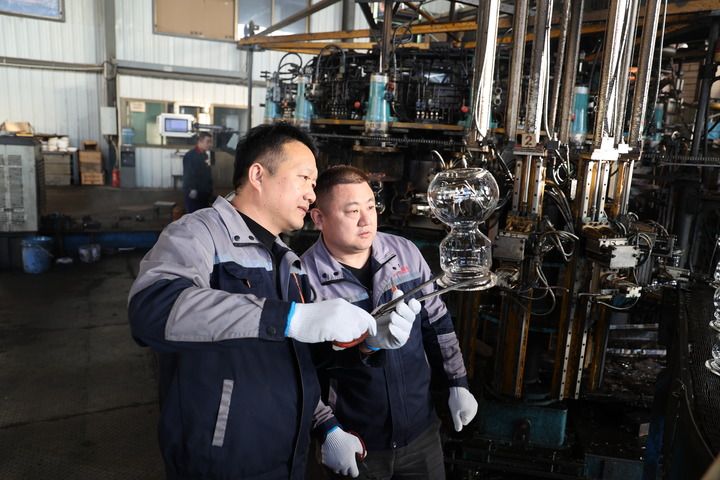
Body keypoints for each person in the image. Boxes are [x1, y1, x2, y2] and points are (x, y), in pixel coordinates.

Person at [128, 124, 416, 479]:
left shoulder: (289, 263)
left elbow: (299, 363)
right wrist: (289, 317)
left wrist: (367, 345)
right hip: (222, 463)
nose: (312, 194)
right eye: (304, 178)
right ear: (258, 175)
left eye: (314, 183)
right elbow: (152, 310)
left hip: (287, 458)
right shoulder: (198, 233)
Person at [302, 165, 479, 479]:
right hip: (356, 443)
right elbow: (299, 369)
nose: (366, 220)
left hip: (421, 435)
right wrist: (326, 429)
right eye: (352, 211)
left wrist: (457, 383)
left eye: (371, 207)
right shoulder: (305, 279)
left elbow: (438, 325)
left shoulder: (404, 253)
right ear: (319, 218)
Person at [182, 131, 213, 213]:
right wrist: (192, 189)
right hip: (194, 193)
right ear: (200, 141)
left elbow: (207, 173)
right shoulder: (190, 156)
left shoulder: (205, 155)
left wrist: (209, 189)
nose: (210, 144)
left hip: (204, 192)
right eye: (208, 142)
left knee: (203, 215)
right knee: (194, 215)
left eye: (210, 142)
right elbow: (188, 173)